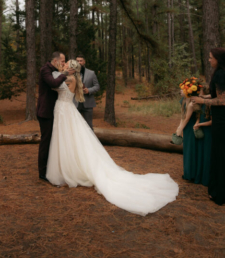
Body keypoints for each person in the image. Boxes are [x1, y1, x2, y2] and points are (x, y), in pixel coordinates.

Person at [46, 60, 178, 216]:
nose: (65, 65)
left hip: (64, 110)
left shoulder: (69, 79)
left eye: (67, 64)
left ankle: (71, 169)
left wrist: (56, 73)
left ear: (72, 69)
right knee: (71, 139)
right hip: (65, 110)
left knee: (68, 138)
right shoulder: (73, 79)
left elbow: (54, 85)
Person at [192, 48, 225, 205]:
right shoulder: (220, 72)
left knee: (219, 155)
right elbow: (215, 95)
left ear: (218, 59)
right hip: (220, 119)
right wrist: (202, 96)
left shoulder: (220, 74)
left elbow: (222, 101)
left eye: (211, 58)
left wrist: (202, 102)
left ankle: (219, 193)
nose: (209, 60)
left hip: (221, 120)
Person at [36, 52, 75, 181]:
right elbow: (53, 83)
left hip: (56, 111)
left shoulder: (55, 70)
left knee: (54, 140)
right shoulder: (45, 70)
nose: (64, 63)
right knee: (46, 141)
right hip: (46, 111)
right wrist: (65, 74)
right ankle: (42, 171)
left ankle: (53, 168)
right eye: (63, 61)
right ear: (55, 60)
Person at [177, 95, 212, 186]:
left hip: (190, 128)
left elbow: (187, 118)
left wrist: (179, 130)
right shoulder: (185, 100)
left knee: (191, 150)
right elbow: (183, 117)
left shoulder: (192, 104)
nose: (181, 91)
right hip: (190, 127)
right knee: (189, 150)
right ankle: (189, 172)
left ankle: (190, 173)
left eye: (183, 89)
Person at [75, 54, 100, 129]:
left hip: (88, 103)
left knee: (89, 125)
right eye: (77, 61)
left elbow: (97, 86)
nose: (79, 62)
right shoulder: (72, 73)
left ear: (84, 62)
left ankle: (90, 140)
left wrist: (89, 90)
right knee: (75, 125)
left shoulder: (91, 73)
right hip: (75, 102)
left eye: (81, 61)